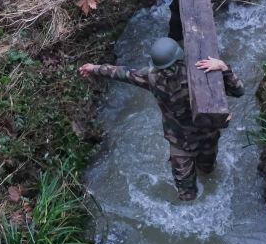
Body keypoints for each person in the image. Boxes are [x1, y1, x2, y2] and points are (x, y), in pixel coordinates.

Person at [78, 38, 244, 201]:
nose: (167, 73)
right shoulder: (197, 74)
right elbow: (238, 91)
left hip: (199, 138)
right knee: (190, 190)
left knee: (201, 177)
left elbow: (123, 73)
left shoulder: (159, 76)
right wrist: (223, 68)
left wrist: (94, 68)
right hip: (186, 141)